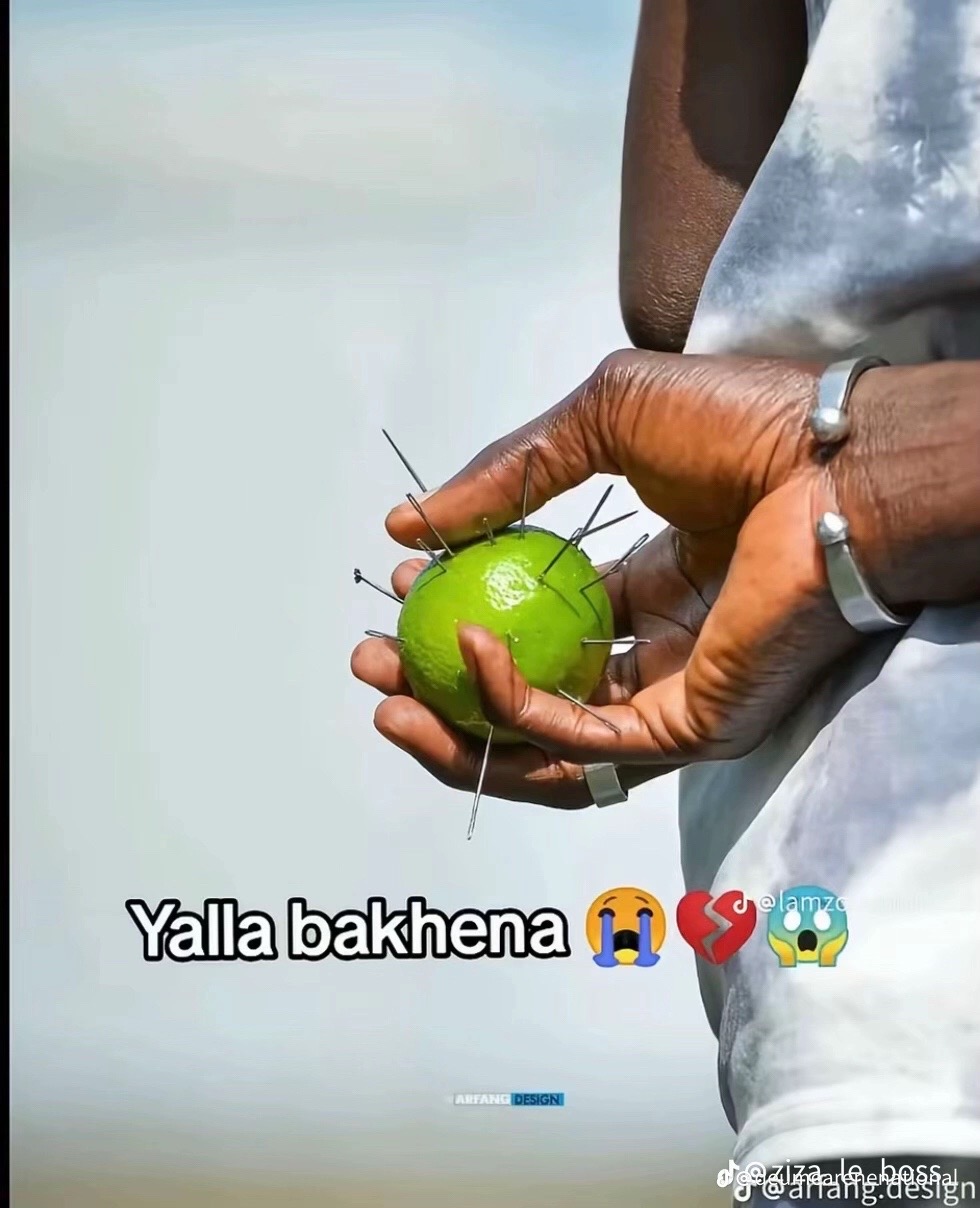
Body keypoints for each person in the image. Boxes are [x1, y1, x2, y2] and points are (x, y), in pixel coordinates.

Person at [352, 1, 980, 1203]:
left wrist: (865, 481)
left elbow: (694, 287)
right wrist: (848, 489)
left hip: (874, 1003)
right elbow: (686, 302)